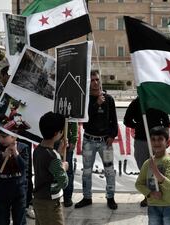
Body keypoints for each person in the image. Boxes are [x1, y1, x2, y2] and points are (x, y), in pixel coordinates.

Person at [75, 70, 119, 210]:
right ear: (88, 83)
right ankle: (87, 197)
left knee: (109, 171)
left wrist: (112, 135)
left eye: (97, 80)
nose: (95, 82)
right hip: (89, 140)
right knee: (87, 171)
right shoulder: (85, 99)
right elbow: (84, 120)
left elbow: (114, 120)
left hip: (105, 142)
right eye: (92, 80)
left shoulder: (109, 99)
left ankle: (110, 197)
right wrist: (96, 104)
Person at [124, 97, 170, 207]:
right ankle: (148, 195)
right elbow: (127, 120)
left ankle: (161, 194)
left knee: (159, 168)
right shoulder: (136, 102)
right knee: (144, 169)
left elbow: (166, 122)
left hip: (157, 141)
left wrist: (166, 139)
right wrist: (139, 125)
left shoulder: (159, 101)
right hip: (141, 140)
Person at [135, 126, 170, 225]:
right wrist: (150, 193)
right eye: (153, 140)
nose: (156, 142)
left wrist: (155, 171)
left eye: (160, 139)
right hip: (153, 205)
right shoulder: (148, 163)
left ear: (167, 143)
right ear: (150, 143)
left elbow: (169, 185)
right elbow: (139, 184)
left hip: (169, 205)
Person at [32, 112, 69, 225]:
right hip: (50, 203)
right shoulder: (53, 156)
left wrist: (59, 152)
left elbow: (49, 166)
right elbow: (63, 182)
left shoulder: (39, 149)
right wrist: (63, 167)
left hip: (39, 199)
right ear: (57, 133)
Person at [0, 128, 29, 225]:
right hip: (2, 189)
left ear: (13, 136)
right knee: (1, 218)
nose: (1, 140)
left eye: (4, 136)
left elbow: (24, 166)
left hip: (19, 189)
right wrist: (3, 156)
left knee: (19, 218)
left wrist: (16, 154)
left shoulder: (23, 147)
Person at [54, 122, 78, 208]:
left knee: (67, 170)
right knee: (52, 169)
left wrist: (74, 138)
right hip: (52, 140)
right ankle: (54, 196)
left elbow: (74, 120)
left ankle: (67, 197)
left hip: (66, 140)